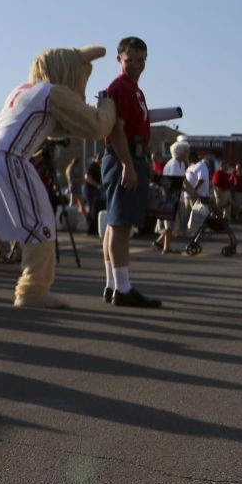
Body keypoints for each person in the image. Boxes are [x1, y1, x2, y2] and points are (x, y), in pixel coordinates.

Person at [0, 45, 117, 308]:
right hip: (10, 157)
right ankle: (33, 290)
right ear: (69, 71)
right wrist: (108, 106)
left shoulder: (24, 90)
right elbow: (96, 126)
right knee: (41, 221)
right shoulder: (56, 93)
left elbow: (50, 127)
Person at [98, 37, 161, 308]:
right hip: (126, 157)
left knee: (115, 224)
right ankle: (123, 288)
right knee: (122, 225)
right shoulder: (122, 87)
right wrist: (127, 165)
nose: (137, 65)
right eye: (131, 60)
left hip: (126, 157)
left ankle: (113, 285)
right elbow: (117, 129)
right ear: (119, 59)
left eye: (142, 60)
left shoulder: (132, 88)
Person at [156, 140, 189, 254]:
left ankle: (160, 241)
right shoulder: (174, 164)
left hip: (175, 197)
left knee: (171, 223)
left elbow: (184, 180)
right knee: (169, 224)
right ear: (180, 152)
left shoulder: (181, 164)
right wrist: (188, 190)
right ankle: (166, 247)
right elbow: (175, 183)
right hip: (170, 198)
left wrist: (192, 190)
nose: (188, 153)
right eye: (186, 151)